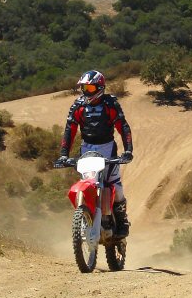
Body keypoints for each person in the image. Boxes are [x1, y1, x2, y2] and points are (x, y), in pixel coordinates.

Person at [56, 69, 134, 238]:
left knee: (115, 186)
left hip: (108, 148)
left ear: (100, 87)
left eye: (89, 89)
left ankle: (122, 221)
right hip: (87, 149)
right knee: (88, 183)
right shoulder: (78, 106)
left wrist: (128, 150)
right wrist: (63, 154)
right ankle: (85, 216)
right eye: (83, 88)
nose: (85, 92)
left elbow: (122, 126)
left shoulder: (110, 104)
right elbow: (69, 130)